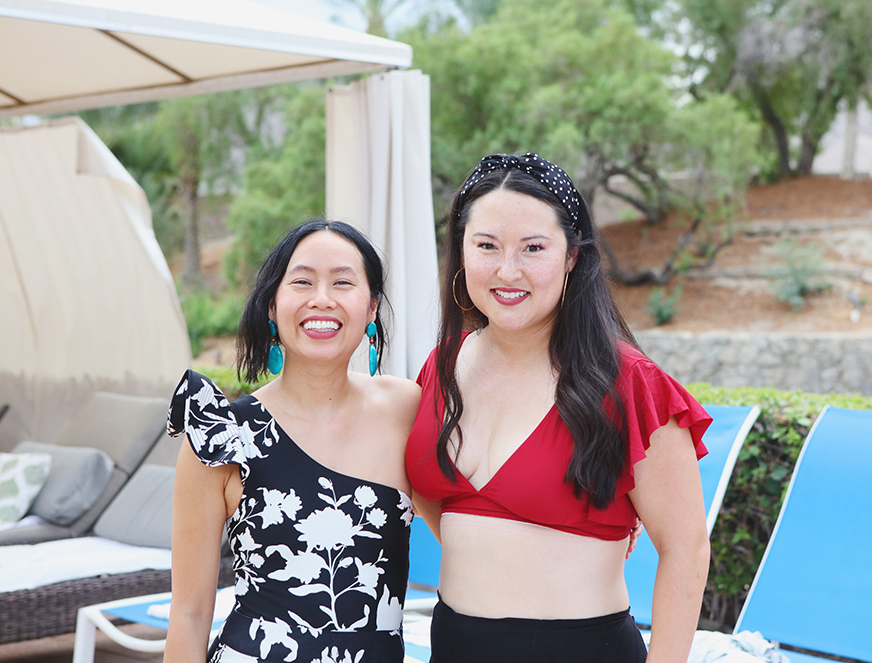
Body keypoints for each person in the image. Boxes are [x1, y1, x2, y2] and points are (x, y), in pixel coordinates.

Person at [405, 153, 713, 663]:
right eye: (486, 245)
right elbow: (441, 502)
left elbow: (686, 549)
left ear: (572, 255)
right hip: (453, 643)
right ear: (461, 251)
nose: (508, 270)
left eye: (533, 248)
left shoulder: (629, 383)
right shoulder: (441, 367)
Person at [165, 220, 420, 663]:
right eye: (302, 281)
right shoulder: (222, 433)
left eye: (343, 282)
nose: (322, 298)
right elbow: (188, 614)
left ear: (372, 307)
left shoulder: (406, 409)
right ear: (271, 305)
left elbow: (464, 531)